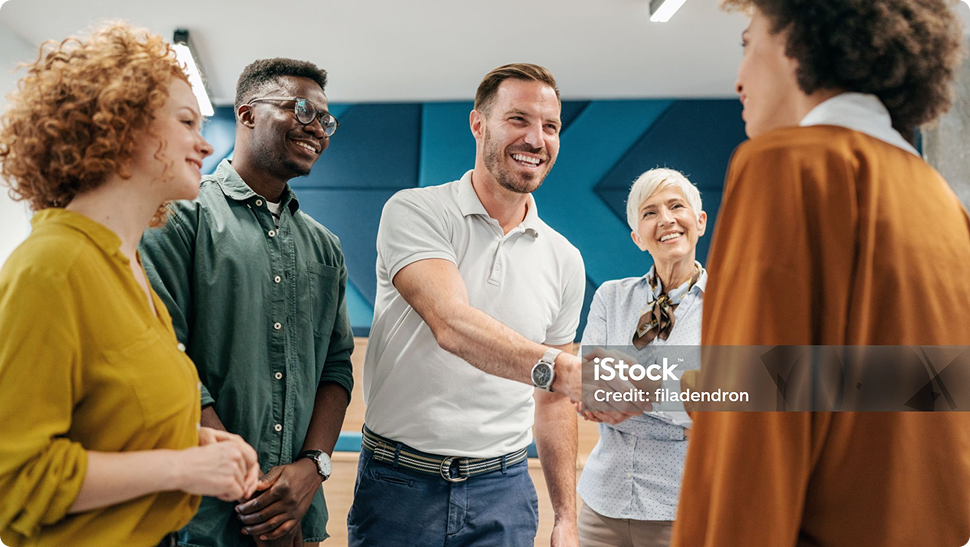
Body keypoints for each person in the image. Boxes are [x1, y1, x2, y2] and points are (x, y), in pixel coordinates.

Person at [671, 1, 970, 546]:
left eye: (747, 41)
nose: (738, 79)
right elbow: (890, 389)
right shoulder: (945, 205)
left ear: (797, 39)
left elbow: (750, 432)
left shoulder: (788, 165)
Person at [0, 23, 260, 547]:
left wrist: (196, 440)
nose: (204, 143)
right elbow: (14, 480)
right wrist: (184, 467)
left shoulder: (128, 266)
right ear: (117, 128)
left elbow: (108, 420)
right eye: (186, 121)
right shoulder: (53, 267)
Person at [348, 63, 585, 547]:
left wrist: (567, 516)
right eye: (518, 119)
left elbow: (553, 401)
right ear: (478, 124)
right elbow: (452, 324)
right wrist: (565, 369)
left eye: (551, 126)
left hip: (504, 491)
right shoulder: (415, 211)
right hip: (398, 486)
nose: (536, 139)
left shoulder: (565, 259)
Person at [139, 58, 354, 547]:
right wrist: (252, 487)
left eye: (325, 119)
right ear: (248, 114)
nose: (317, 128)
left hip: (298, 519)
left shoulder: (326, 247)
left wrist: (309, 472)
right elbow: (161, 359)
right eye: (302, 109)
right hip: (199, 521)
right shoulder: (175, 217)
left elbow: (337, 368)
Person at [576, 168, 706, 547]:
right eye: (649, 212)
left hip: (681, 507)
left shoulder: (731, 305)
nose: (665, 219)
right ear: (637, 237)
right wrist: (682, 406)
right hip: (603, 504)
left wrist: (630, 390)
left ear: (698, 221)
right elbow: (588, 391)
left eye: (676, 206)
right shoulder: (610, 297)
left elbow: (728, 404)